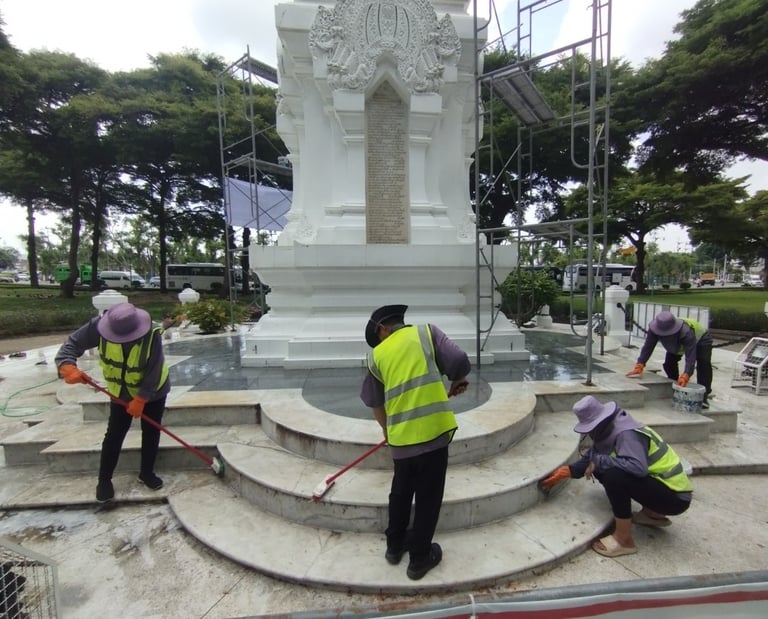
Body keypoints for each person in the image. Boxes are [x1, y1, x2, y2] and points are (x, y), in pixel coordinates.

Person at [360, 304, 469, 580]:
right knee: (428, 497)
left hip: (401, 441)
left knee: (401, 491)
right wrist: (458, 379)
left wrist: (387, 430)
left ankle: (394, 546)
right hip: (433, 434)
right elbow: (458, 360)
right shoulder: (426, 333)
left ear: (383, 329)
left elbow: (374, 403)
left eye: (377, 336)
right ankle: (420, 558)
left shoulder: (376, 356)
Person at [541, 395, 693, 557]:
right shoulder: (611, 427)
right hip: (666, 489)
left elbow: (637, 468)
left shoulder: (626, 435)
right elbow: (595, 453)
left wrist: (598, 461)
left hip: (675, 498)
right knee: (603, 465)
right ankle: (652, 514)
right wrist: (569, 471)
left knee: (613, 475)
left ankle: (623, 540)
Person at [55, 302, 171, 503]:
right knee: (114, 435)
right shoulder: (98, 327)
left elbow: (154, 369)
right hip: (120, 394)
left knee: (151, 431)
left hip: (154, 392)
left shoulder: (152, 334)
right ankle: (104, 480)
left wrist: (141, 398)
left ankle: (146, 473)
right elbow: (71, 344)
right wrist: (66, 364)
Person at [626, 311, 713, 408]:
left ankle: (704, 396)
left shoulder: (686, 332)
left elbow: (690, 356)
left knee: (703, 364)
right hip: (676, 343)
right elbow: (648, 346)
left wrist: (686, 374)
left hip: (701, 339)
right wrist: (640, 364)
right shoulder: (654, 329)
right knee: (669, 364)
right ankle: (677, 386)